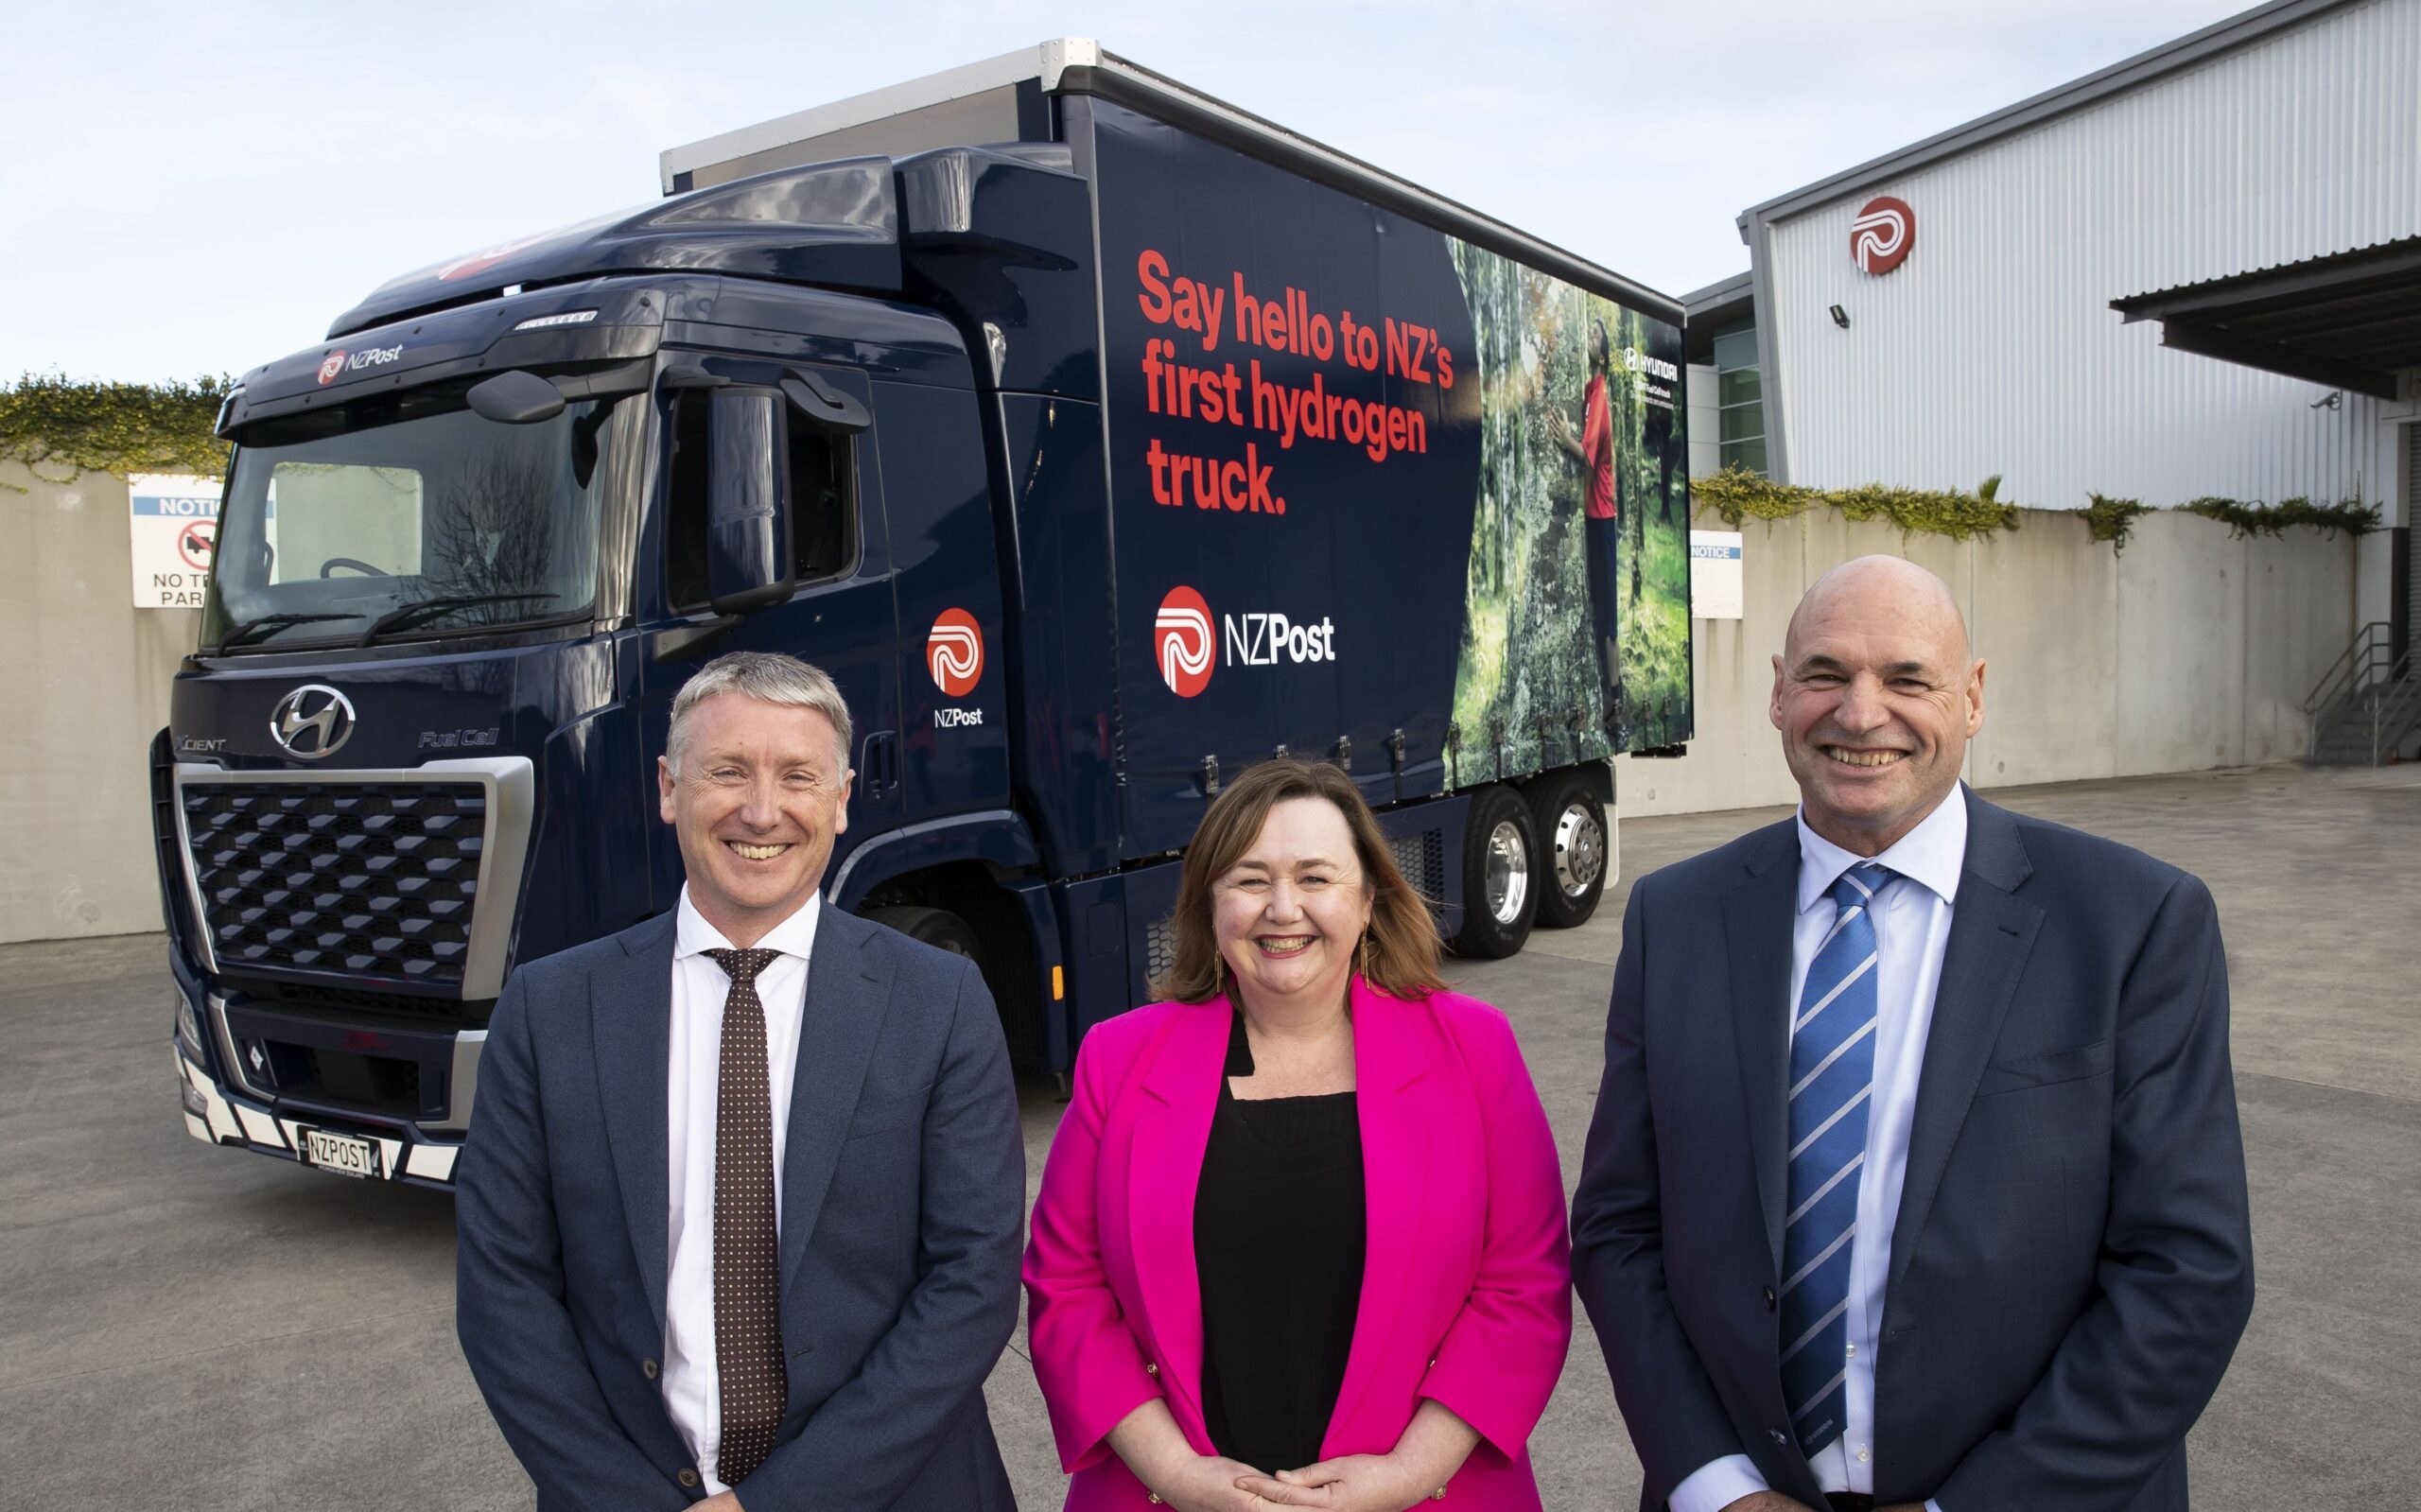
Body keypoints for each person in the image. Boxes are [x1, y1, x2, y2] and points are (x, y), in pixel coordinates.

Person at [1571, 556, 2254, 1512]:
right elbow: (1619, 1228)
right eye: (1824, 675)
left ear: (1971, 699)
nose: (1859, 713)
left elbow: (2188, 1274)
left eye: (1905, 679)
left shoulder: (2133, 923)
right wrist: (1717, 1486)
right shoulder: (1675, 918)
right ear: (1776, 692)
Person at [456, 651, 1023, 1512]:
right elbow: (504, 1290)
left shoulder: (939, 1001)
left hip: (894, 1492)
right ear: (668, 788)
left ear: (839, 803)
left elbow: (972, 1281)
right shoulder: (549, 1008)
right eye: (727, 770)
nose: (763, 810)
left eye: (798, 775)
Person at [1024, 758, 1572, 1511]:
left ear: (1369, 896)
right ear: (1210, 902)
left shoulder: (1474, 1050)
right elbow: (1067, 1288)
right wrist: (1176, 1473)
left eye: (1316, 877)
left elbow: (1524, 1287)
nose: (1283, 908)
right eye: (1250, 879)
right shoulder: (1117, 1061)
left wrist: (1408, 1474)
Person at [1549, 317, 1626, 720]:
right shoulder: (1588, 391)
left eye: (1596, 334)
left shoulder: (1600, 393)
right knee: (1600, 609)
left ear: (1604, 352)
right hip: (1595, 516)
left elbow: (1586, 454)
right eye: (1590, 332)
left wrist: (1565, 439)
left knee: (1606, 615)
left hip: (1602, 518)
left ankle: (1615, 699)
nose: (1589, 337)